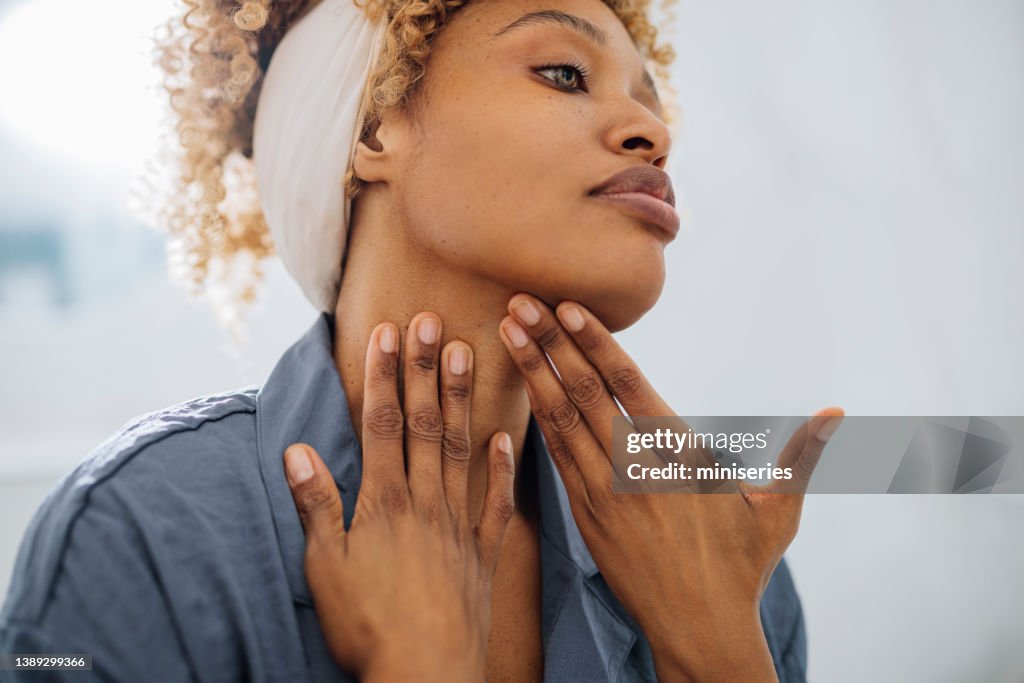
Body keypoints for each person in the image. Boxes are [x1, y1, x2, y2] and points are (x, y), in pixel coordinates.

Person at [0, 0, 843, 680]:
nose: (653, 135)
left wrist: (723, 655)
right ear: (374, 130)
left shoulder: (725, 560)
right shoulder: (138, 534)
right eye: (564, 73)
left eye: (651, 104)